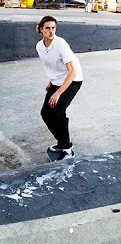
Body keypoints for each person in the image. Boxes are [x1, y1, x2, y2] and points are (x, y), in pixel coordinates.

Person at [35, 16, 82, 162]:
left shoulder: (61, 44)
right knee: (46, 113)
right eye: (47, 28)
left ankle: (67, 149)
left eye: (53, 28)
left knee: (59, 111)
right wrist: (51, 81)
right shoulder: (39, 46)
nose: (51, 31)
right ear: (40, 29)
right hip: (57, 80)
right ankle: (62, 142)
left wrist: (58, 93)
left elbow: (72, 72)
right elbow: (52, 65)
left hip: (72, 80)